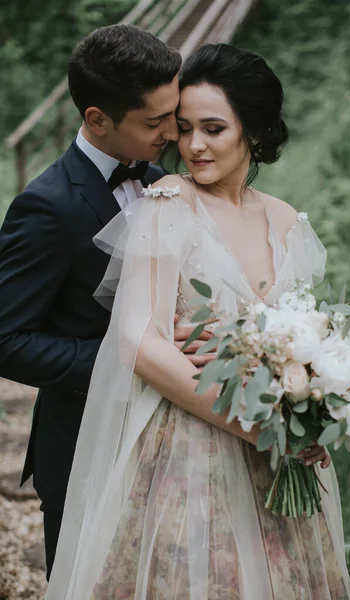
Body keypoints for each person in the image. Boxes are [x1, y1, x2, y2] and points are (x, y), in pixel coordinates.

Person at [46, 44, 350, 599]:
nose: (192, 146)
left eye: (213, 128)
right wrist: (258, 426)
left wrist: (315, 409)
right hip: (188, 448)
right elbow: (139, 340)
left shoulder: (286, 221)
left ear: (254, 130)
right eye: (183, 127)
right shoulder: (169, 200)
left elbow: (306, 340)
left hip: (280, 459)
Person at [0, 24, 215, 579]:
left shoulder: (163, 177)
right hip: (83, 450)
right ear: (97, 119)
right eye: (155, 122)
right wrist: (130, 363)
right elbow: (6, 339)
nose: (174, 132)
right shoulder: (46, 209)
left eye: (174, 114)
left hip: (174, 442)